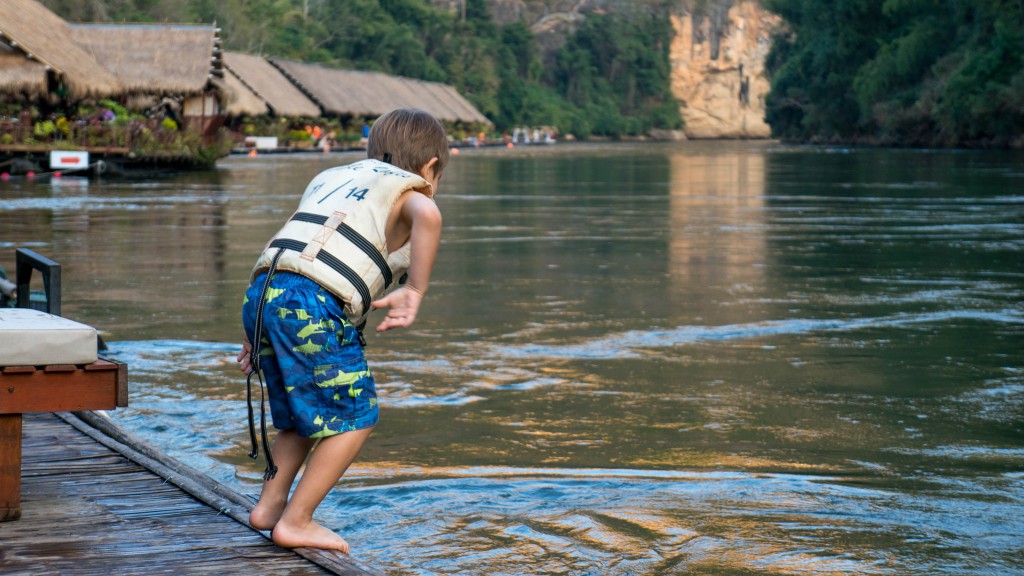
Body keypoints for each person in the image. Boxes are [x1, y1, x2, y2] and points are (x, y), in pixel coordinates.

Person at [236, 108, 447, 553]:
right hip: (311, 304)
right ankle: (296, 520)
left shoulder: (336, 178)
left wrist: (255, 334)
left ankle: (269, 507)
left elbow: (299, 253)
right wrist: (416, 289)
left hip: (264, 296)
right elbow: (426, 212)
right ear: (429, 168)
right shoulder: (409, 193)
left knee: (300, 417)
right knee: (355, 417)